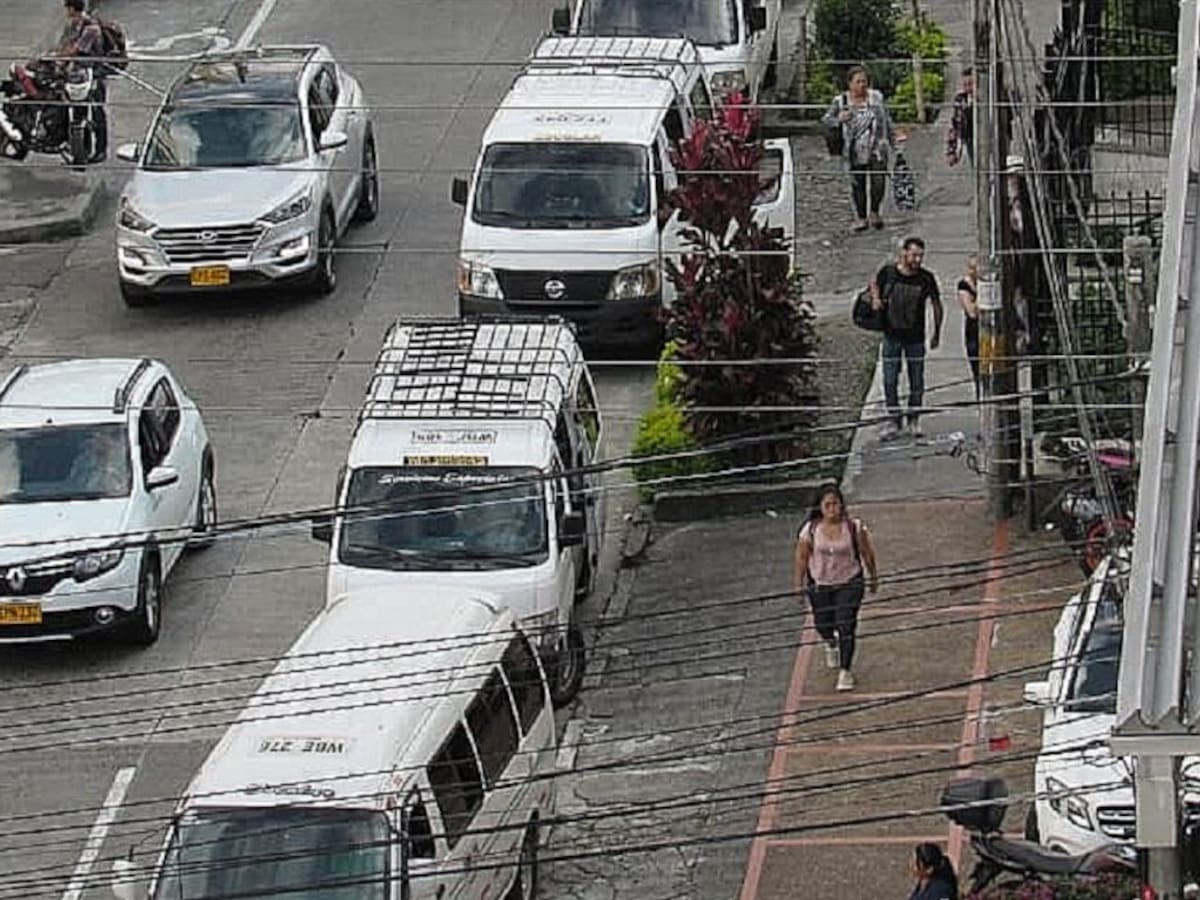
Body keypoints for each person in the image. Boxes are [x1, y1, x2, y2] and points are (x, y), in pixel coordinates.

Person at [793, 483, 879, 692]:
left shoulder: (854, 527)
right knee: (823, 624)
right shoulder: (811, 530)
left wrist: (873, 576)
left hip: (849, 583)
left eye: (836, 504)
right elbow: (802, 557)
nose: (832, 509)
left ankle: (845, 670)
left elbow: (867, 553)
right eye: (828, 505)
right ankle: (831, 643)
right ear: (820, 507)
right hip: (820, 584)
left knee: (846, 625)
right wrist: (798, 584)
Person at [870, 236, 944, 439]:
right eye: (914, 255)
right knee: (890, 380)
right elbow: (874, 283)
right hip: (891, 335)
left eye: (921, 256)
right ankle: (894, 419)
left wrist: (936, 331)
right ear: (903, 253)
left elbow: (937, 304)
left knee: (917, 381)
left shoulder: (926, 278)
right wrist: (876, 299)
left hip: (915, 338)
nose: (918, 260)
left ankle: (913, 419)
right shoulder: (889, 272)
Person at [822, 65, 897, 233]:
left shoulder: (876, 98)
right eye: (858, 82)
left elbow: (887, 120)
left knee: (878, 182)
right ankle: (861, 217)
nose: (862, 85)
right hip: (853, 150)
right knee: (858, 185)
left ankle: (875, 213)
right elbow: (826, 120)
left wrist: (893, 142)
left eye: (864, 81)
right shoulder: (840, 101)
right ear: (850, 84)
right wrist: (839, 119)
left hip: (876, 148)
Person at [58, 0, 108, 163]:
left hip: (95, 76)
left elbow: (75, 50)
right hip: (78, 76)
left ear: (72, 8)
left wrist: (57, 57)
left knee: (97, 113)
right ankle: (82, 150)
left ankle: (101, 151)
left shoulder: (91, 28)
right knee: (79, 112)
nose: (65, 11)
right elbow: (64, 46)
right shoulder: (73, 26)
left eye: (67, 7)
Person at [958, 255, 980, 399]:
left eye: (976, 268)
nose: (973, 271)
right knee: (978, 371)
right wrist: (983, 291)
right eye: (971, 268)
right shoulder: (964, 285)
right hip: (973, 333)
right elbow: (972, 312)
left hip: (992, 331)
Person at [945, 67, 974, 167]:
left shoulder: (992, 98)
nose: (968, 88)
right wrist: (952, 151)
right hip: (971, 141)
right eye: (965, 85)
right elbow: (955, 126)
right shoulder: (961, 100)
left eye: (971, 84)